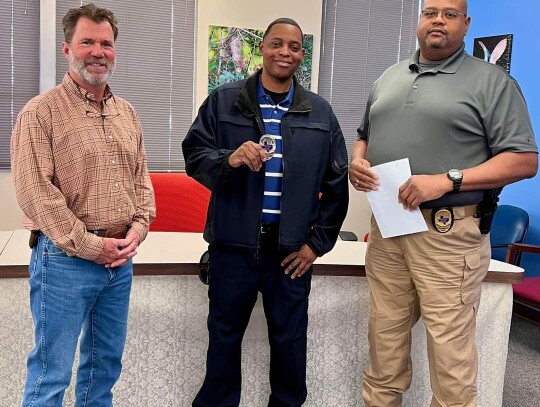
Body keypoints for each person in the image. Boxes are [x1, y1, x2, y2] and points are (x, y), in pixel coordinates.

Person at [349, 0, 538, 406]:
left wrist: (447, 180)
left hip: (449, 233)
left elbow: (523, 161)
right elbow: (364, 133)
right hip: (388, 227)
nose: (438, 19)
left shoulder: (492, 82)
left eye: (449, 14)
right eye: (430, 11)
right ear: (420, 19)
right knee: (384, 338)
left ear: (466, 23)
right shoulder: (389, 76)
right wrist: (357, 160)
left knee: (450, 354)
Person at [183, 17, 349, 407]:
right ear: (262, 49)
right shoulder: (224, 101)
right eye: (277, 44)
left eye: (293, 47)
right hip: (232, 248)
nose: (284, 53)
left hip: (291, 252)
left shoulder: (321, 114)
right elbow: (194, 156)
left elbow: (337, 185)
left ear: (301, 55)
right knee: (223, 340)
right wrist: (230, 159)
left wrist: (316, 245)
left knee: (290, 345)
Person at [10, 3, 155, 406]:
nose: (97, 51)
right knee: (50, 374)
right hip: (64, 262)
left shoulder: (127, 113)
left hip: (119, 263)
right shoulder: (40, 113)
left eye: (105, 43)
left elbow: (141, 184)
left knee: (103, 370)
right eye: (87, 41)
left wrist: (136, 231)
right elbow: (36, 194)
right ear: (67, 48)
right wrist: (94, 247)